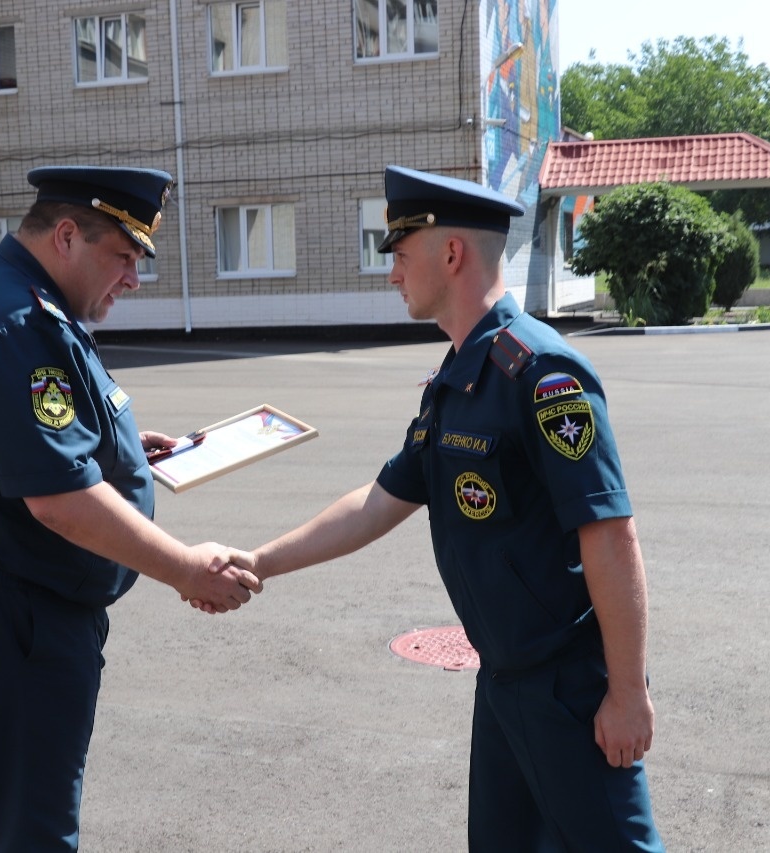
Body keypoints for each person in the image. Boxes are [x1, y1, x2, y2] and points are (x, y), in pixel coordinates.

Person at [209, 165, 665, 850]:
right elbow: (377, 501)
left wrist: (627, 692)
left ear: (450, 254)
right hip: (504, 683)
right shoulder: (455, 382)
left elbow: (609, 531)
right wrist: (259, 561)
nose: (391, 270)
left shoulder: (541, 374)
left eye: (398, 251)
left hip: (568, 688)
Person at [0, 165, 261, 852]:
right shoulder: (18, 321)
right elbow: (61, 501)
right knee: (31, 827)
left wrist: (120, 450)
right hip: (19, 608)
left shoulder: (5, 291)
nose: (132, 277)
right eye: (123, 257)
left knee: (2, 809)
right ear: (67, 235)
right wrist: (187, 568)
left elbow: (28, 433)